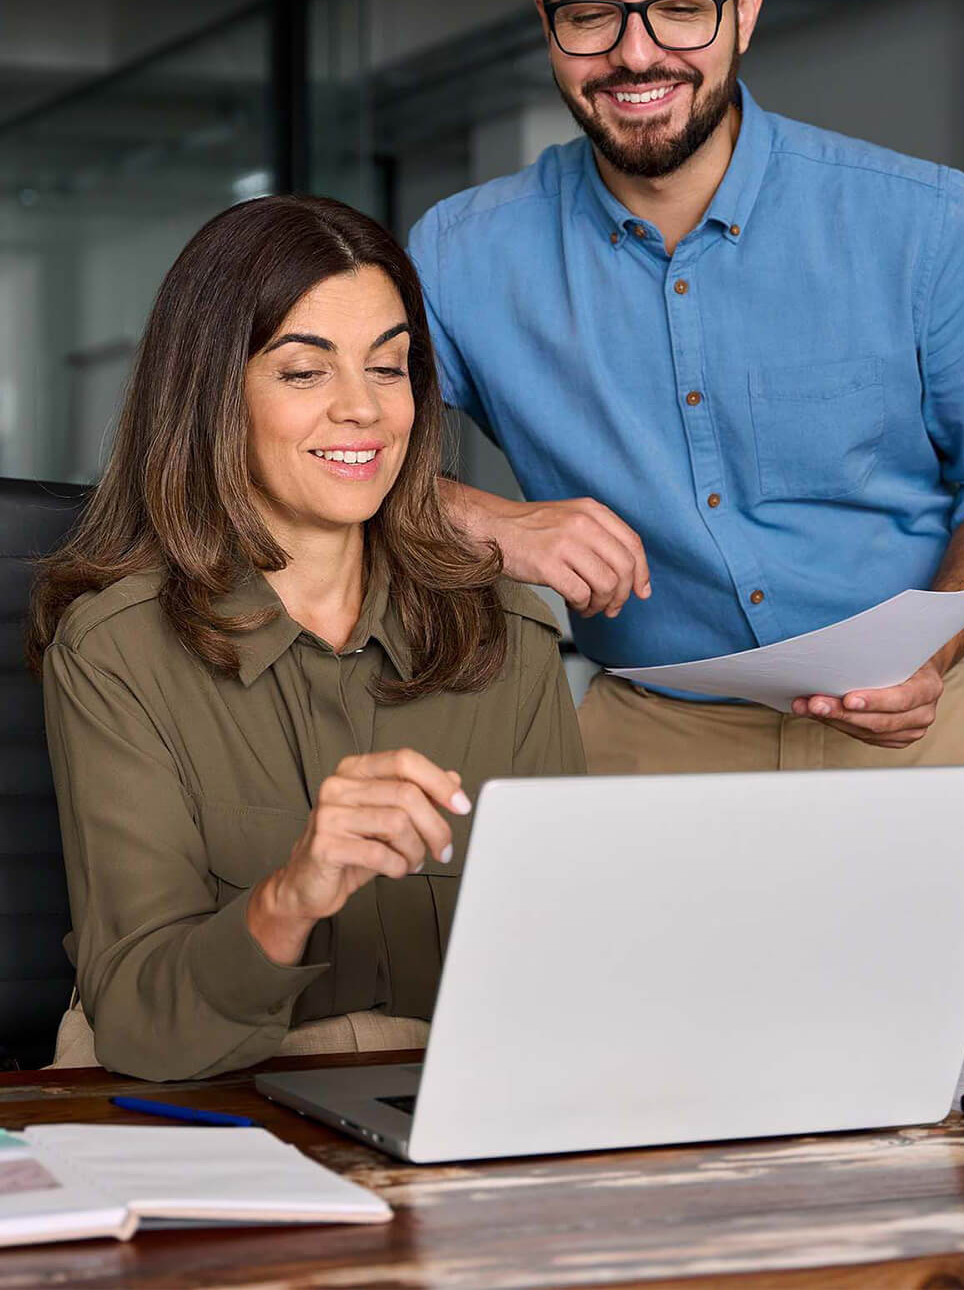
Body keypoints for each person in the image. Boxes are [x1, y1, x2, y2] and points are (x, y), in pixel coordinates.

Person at [409, 0, 964, 776]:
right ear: (546, 24)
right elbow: (325, 455)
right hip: (651, 725)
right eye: (592, 12)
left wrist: (922, 657)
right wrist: (489, 519)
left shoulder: (929, 224)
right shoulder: (460, 255)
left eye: (681, 5)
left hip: (927, 713)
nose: (637, 55)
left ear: (746, 11)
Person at [29, 196, 584, 1081]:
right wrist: (290, 896)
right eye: (303, 372)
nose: (363, 410)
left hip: (455, 1097)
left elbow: (572, 972)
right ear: (215, 393)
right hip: (207, 1099)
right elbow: (139, 1020)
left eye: (390, 367)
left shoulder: (506, 634)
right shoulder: (115, 652)